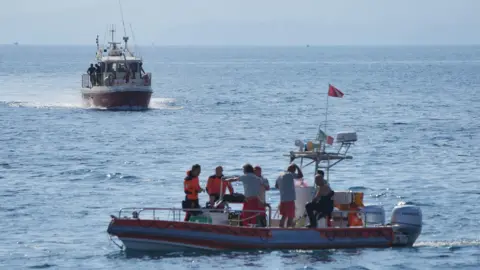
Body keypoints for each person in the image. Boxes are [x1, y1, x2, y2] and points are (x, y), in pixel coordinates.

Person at [275, 163, 303, 228]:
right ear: (293, 170)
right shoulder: (290, 174)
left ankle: (281, 227)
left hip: (282, 199)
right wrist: (297, 166)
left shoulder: (280, 175)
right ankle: (288, 228)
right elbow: (300, 175)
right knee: (290, 216)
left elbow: (276, 186)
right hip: (289, 199)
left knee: (284, 215)